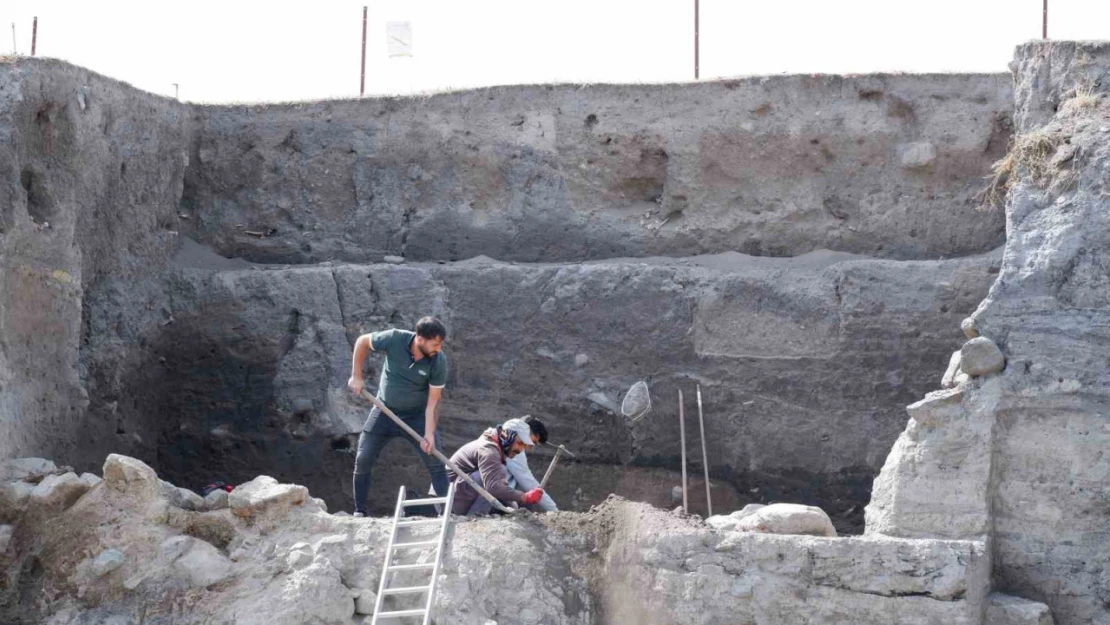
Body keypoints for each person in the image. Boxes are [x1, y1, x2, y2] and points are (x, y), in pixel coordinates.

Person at [347, 316, 449, 517]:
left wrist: (428, 434)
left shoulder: (438, 361)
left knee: (435, 461)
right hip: (384, 411)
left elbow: (433, 403)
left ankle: (446, 513)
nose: (438, 348)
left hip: (417, 416)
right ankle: (359, 511)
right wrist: (356, 375)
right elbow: (362, 342)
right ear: (420, 338)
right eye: (435, 344)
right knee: (363, 458)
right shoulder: (394, 339)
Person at [446, 418, 545, 515]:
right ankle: (474, 518)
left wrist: (514, 506)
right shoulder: (489, 450)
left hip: (458, 495)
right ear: (507, 436)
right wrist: (525, 496)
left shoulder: (494, 446)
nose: (520, 450)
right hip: (447, 500)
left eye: (523, 446)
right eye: (519, 443)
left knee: (509, 500)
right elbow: (493, 487)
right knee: (492, 480)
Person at [505, 415, 558, 512]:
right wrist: (554, 510)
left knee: (525, 505)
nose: (530, 447)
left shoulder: (506, 434)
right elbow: (528, 482)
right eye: (533, 441)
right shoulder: (514, 448)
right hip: (489, 493)